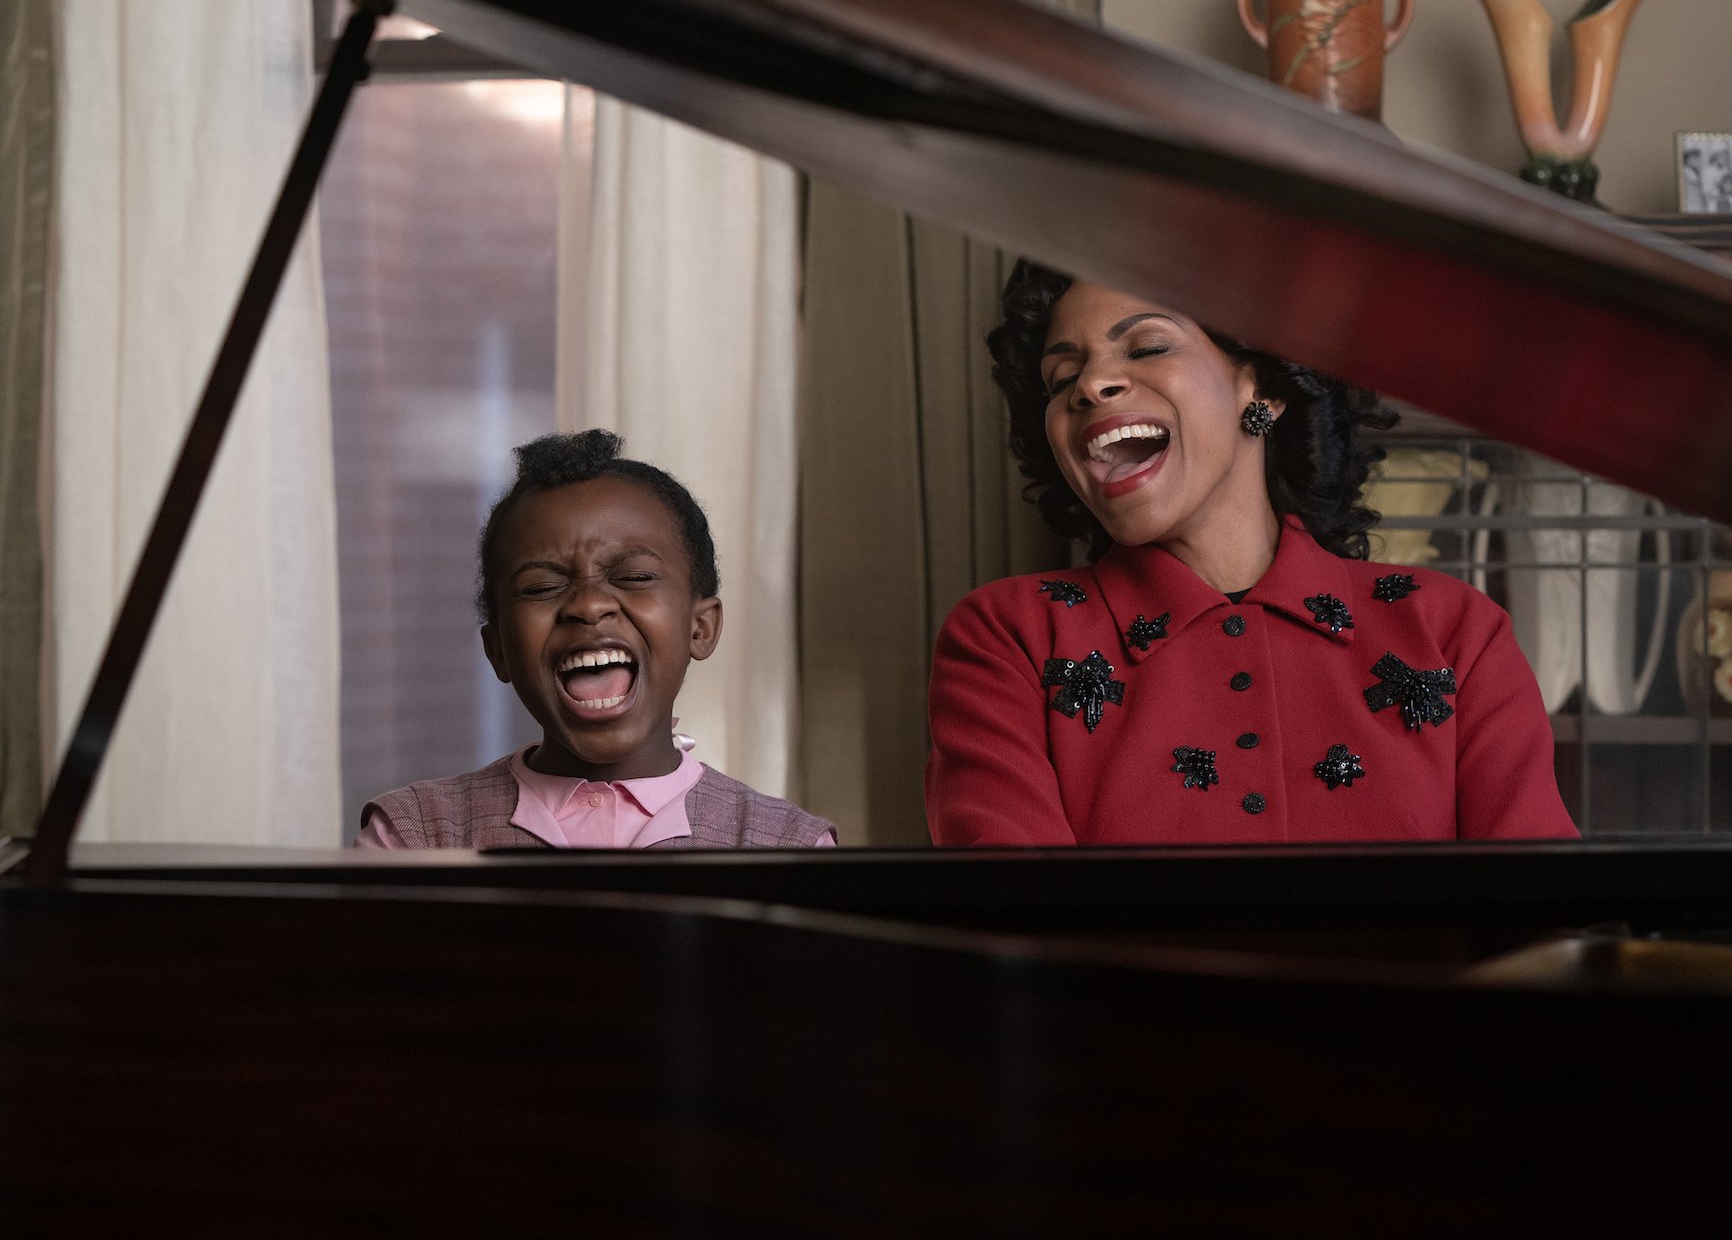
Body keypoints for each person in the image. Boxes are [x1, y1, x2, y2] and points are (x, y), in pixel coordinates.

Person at [923, 261, 1578, 846]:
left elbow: (1541, 927)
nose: (1089, 386)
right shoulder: (1006, 638)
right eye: (1062, 375)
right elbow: (1015, 938)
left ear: (1260, 389)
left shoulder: (1456, 633)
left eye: (1147, 345)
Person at [356, 430, 834, 849]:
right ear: (498, 649)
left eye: (634, 576)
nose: (587, 606)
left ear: (700, 627)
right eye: (543, 587)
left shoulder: (791, 847)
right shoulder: (413, 836)